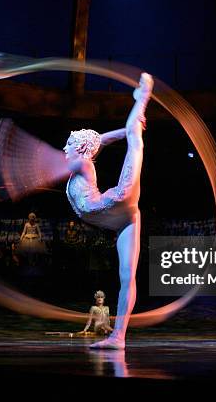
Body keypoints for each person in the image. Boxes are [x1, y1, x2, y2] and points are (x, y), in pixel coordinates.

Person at [64, 72, 153, 349]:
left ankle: (142, 98)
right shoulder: (82, 158)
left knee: (134, 138)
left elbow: (91, 144)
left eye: (69, 143)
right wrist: (122, 133)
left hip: (115, 202)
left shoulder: (81, 164)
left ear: (79, 148)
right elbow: (98, 141)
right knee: (128, 275)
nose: (64, 147)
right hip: (124, 216)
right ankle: (119, 338)